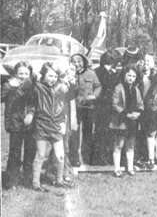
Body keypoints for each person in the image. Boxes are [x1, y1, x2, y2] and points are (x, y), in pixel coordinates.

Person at [16, 62, 77, 191]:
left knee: (60, 154)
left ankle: (59, 180)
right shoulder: (38, 86)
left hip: (56, 125)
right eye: (50, 76)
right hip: (41, 125)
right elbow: (24, 87)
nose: (52, 79)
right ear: (44, 75)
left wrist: (72, 84)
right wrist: (33, 77)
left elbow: (72, 94)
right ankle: (36, 183)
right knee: (40, 154)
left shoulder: (61, 87)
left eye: (55, 76)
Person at [2, 62, 35, 189]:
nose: (23, 76)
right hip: (15, 124)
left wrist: (31, 114)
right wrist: (9, 87)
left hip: (29, 123)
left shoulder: (32, 86)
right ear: (15, 74)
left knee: (30, 152)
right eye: (21, 73)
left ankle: (27, 180)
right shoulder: (9, 85)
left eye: (26, 73)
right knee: (14, 153)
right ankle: (12, 181)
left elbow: (33, 102)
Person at [109, 65, 144, 177]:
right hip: (121, 120)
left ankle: (130, 167)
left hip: (132, 121)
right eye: (129, 75)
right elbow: (115, 104)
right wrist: (126, 114)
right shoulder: (118, 88)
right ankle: (117, 169)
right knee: (119, 144)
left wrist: (138, 112)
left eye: (133, 76)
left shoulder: (136, 89)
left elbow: (140, 104)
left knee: (130, 145)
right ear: (124, 75)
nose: (131, 78)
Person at [70, 53, 102, 165]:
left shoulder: (91, 73)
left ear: (84, 62)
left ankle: (86, 157)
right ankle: (74, 158)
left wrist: (94, 95)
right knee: (74, 132)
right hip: (75, 107)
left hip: (88, 107)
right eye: (74, 61)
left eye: (79, 61)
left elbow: (98, 86)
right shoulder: (69, 73)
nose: (77, 64)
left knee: (88, 132)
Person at [94, 50, 121, 165]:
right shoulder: (105, 73)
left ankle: (100, 156)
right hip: (104, 106)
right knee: (103, 131)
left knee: (102, 131)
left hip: (102, 106)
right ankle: (100, 157)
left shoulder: (97, 71)